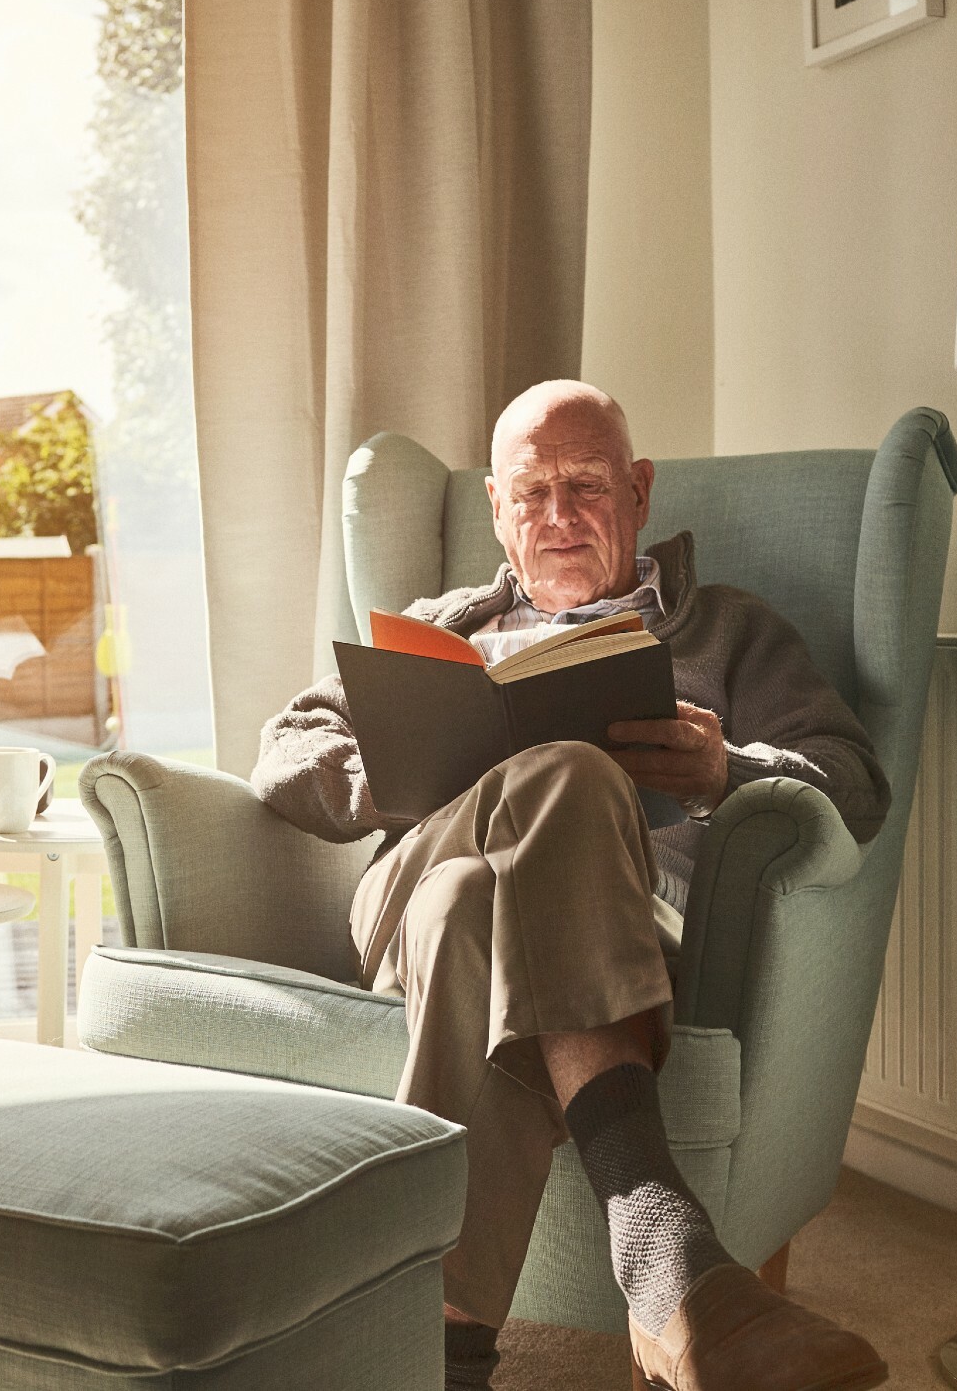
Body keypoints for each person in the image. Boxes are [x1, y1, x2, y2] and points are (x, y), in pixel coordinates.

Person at [252, 380, 893, 1391]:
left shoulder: (729, 630)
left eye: (586, 485)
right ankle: (662, 1246)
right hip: (405, 900)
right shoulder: (439, 626)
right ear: (497, 510)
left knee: (474, 910)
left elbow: (853, 783)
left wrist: (726, 769)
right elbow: (284, 748)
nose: (557, 515)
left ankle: (442, 1356)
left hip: (618, 928)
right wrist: (385, 770)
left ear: (638, 491)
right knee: (545, 795)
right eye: (531, 492)